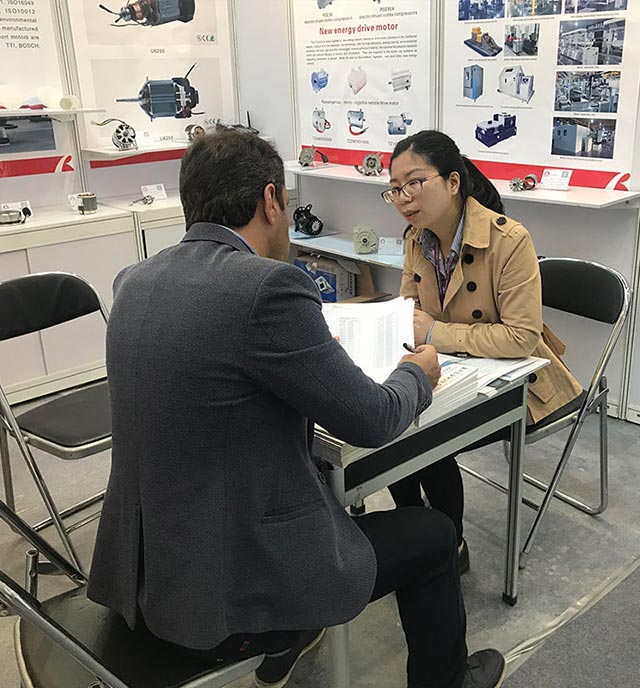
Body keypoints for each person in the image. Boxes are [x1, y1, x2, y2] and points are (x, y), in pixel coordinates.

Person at [88, 127, 507, 688]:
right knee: (432, 537)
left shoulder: (135, 280)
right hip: (229, 591)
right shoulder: (267, 288)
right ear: (271, 200)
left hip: (144, 575)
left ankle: (287, 648)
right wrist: (417, 373)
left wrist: (307, 358)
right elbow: (374, 419)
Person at [383, 130, 584, 573]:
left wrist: (436, 332)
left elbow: (521, 337)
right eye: (395, 188)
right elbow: (408, 311)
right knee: (391, 420)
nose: (403, 197)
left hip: (517, 381)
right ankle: (415, 531)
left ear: (453, 182)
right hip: (450, 368)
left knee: (427, 437)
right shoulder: (416, 238)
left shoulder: (509, 239)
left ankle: (449, 547)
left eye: (414, 182)